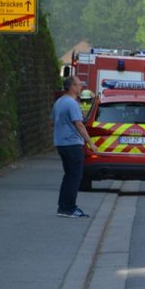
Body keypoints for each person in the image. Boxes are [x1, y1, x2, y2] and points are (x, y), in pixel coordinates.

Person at [52, 76, 96, 218]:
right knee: (75, 177)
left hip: (61, 143)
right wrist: (90, 143)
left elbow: (52, 121)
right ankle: (70, 208)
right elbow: (79, 124)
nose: (81, 87)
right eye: (78, 85)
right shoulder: (72, 104)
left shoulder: (59, 102)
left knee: (68, 176)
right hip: (72, 144)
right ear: (71, 87)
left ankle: (63, 207)